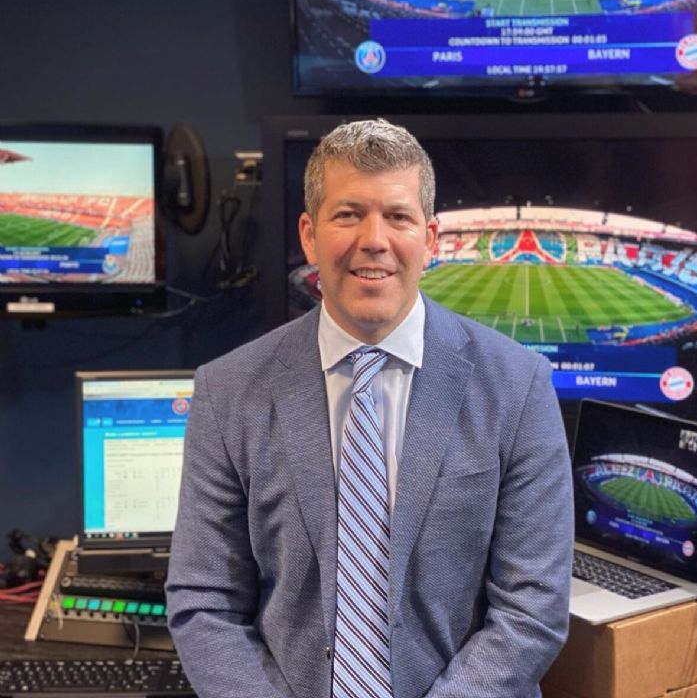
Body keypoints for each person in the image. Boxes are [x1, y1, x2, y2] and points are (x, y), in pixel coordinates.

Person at [166, 118, 574, 698]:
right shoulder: (226, 391)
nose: (374, 239)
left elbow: (533, 609)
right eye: (348, 214)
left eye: (398, 216)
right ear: (309, 235)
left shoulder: (519, 385)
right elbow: (203, 601)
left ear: (430, 239)